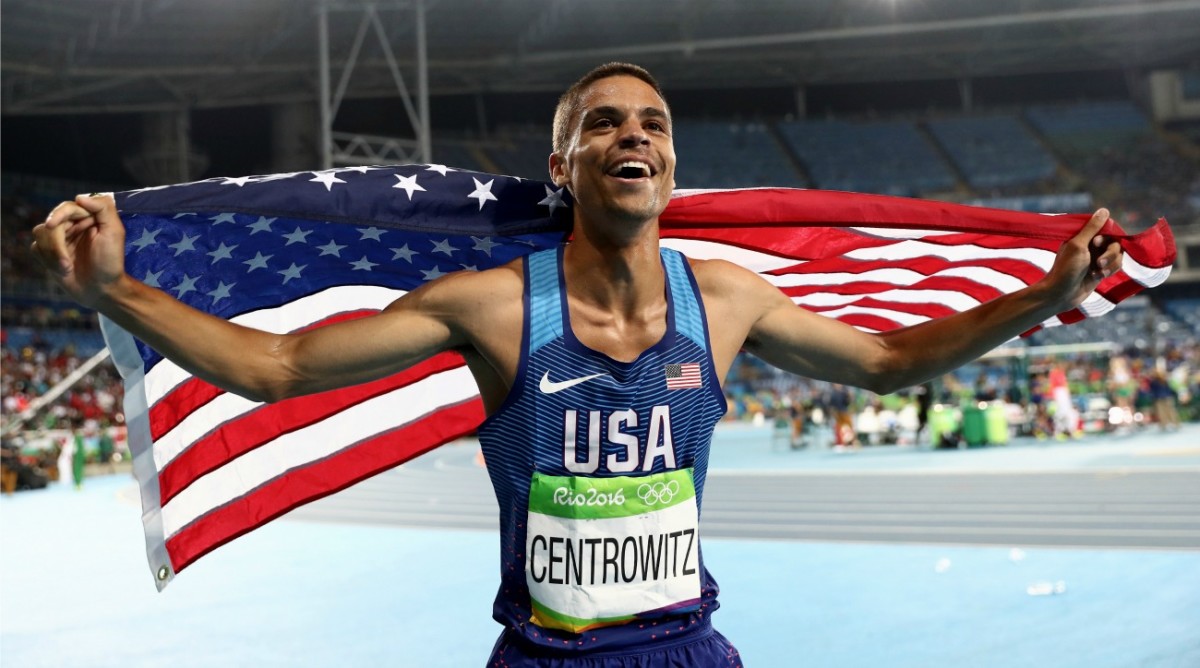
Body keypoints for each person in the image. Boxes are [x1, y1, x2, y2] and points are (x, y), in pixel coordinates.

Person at [32, 62, 1123, 667]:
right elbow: (276, 366)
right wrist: (115, 291)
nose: (631, 133)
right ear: (567, 162)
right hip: (547, 663)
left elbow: (888, 360)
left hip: (690, 650)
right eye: (602, 123)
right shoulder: (494, 306)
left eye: (650, 121)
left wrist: (1048, 294)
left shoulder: (725, 297)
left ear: (670, 159)